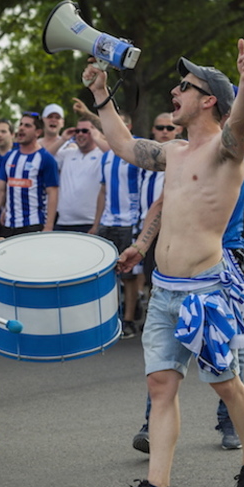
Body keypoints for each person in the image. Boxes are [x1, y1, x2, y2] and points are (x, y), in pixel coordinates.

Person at [87, 39, 244, 487]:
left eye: (185, 86)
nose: (175, 91)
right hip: (165, 291)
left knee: (226, 383)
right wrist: (102, 94)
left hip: (206, 293)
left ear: (208, 99)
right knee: (161, 389)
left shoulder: (228, 150)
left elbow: (240, 123)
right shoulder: (172, 150)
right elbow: (125, 144)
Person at [94, 134, 142, 338]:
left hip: (129, 220)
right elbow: (103, 191)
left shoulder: (137, 151)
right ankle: (108, 319)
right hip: (108, 221)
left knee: (128, 275)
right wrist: (96, 224)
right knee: (105, 273)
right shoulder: (106, 156)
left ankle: (129, 319)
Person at [0, 113, 59, 237]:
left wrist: (49, 226)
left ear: (38, 132)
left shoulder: (45, 158)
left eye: (27, 125)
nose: (21, 128)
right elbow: (0, 190)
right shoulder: (9, 157)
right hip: (9, 224)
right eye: (20, 124)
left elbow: (53, 193)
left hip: (34, 224)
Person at [54, 118, 107, 233]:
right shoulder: (68, 153)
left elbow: (116, 154)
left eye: (85, 131)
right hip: (63, 222)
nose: (80, 134)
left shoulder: (102, 155)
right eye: (77, 131)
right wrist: (62, 139)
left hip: (90, 223)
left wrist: (98, 138)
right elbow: (42, 158)